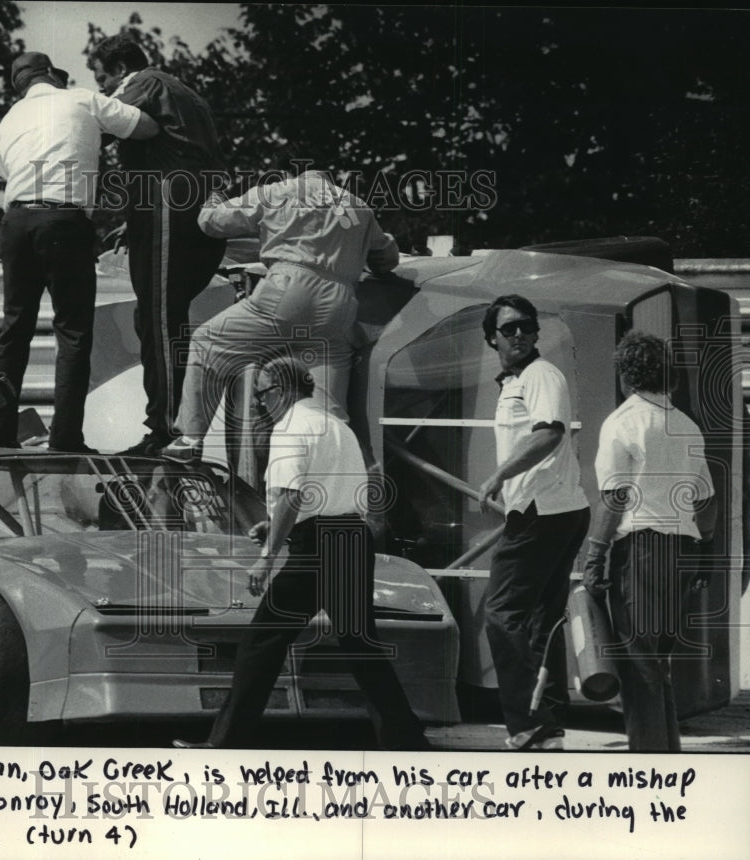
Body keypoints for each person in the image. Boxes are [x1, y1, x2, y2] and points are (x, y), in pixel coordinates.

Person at [173, 356, 432, 750]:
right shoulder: (336, 426)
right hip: (350, 537)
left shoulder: (292, 427)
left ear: (282, 390)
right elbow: (329, 492)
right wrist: (278, 522)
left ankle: (224, 743)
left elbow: (294, 495)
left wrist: (267, 556)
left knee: (261, 642)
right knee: (361, 646)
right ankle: (407, 738)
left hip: (317, 546)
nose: (260, 403)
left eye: (262, 393)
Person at [161, 164, 399, 463]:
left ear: (291, 175)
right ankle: (339, 468)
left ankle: (190, 439)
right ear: (330, 178)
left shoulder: (278, 191)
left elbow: (212, 222)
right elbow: (388, 259)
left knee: (207, 342)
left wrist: (213, 199)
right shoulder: (358, 206)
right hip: (340, 305)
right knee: (327, 405)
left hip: (288, 290)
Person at [0, 51, 159, 453]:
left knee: (14, 331)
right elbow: (147, 127)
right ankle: (65, 439)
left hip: (15, 223)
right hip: (63, 220)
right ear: (51, 75)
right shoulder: (81, 99)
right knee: (73, 334)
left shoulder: (9, 120)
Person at [87, 36, 228, 456]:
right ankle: (173, 423)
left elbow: (101, 125)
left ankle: (168, 430)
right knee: (158, 318)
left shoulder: (146, 83)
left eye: (102, 78)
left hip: (169, 206)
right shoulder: (185, 94)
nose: (102, 89)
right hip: (184, 209)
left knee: (159, 320)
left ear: (119, 67)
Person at [583, 331, 716, 752]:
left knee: (639, 665)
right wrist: (704, 552)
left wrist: (594, 557)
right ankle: (667, 753)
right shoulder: (687, 426)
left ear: (626, 376)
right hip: (683, 552)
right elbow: (707, 501)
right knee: (659, 662)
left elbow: (614, 498)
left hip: (641, 550)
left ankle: (649, 763)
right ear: (669, 377)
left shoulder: (623, 423)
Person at [476, 295, 590, 750]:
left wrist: (499, 476)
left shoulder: (541, 375)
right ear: (492, 338)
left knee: (501, 615)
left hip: (544, 513)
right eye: (509, 329)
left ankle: (528, 722)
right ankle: (551, 716)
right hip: (551, 510)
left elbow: (548, 434)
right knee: (542, 617)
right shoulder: (516, 381)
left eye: (525, 326)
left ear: (536, 332)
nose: (519, 334)